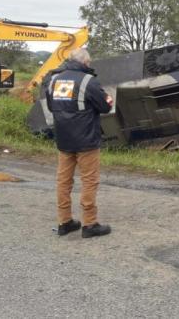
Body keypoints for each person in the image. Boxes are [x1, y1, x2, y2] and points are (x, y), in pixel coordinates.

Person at [45, 48, 113, 238]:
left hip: (64, 139)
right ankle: (90, 224)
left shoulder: (54, 80)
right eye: (89, 63)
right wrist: (108, 98)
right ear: (85, 63)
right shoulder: (88, 81)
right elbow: (106, 106)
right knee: (89, 180)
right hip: (86, 140)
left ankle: (64, 222)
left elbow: (52, 106)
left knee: (63, 181)